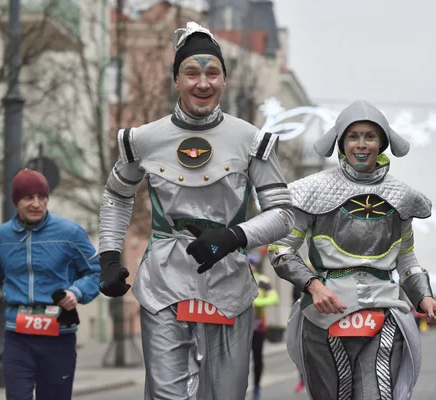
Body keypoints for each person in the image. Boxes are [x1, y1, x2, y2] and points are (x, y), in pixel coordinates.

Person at [97, 22, 294, 400]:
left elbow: (283, 214)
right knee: (167, 395)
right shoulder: (143, 139)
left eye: (212, 72)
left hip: (230, 284)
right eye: (191, 72)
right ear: (176, 79)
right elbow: (115, 196)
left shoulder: (252, 140)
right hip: (163, 284)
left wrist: (234, 237)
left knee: (225, 394)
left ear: (223, 80)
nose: (202, 83)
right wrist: (108, 256)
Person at [269, 100, 436, 400]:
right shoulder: (312, 191)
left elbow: (406, 258)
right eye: (353, 136)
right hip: (322, 316)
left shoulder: (401, 197)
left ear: (382, 143)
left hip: (384, 311)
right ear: (341, 142)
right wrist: (313, 286)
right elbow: (281, 249)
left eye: (370, 136)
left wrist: (423, 296)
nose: (361, 145)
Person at [0, 169, 100, 399]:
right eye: (28, 198)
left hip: (59, 335)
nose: (37, 204)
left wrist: (76, 292)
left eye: (42, 197)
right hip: (17, 336)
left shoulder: (70, 233)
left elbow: (97, 274)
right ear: (16, 201)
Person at [248, 253, 279, 400]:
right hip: (240, 329)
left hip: (258, 327)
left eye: (251, 263)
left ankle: (256, 387)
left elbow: (274, 298)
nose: (250, 266)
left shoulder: (262, 280)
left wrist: (257, 303)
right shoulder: (236, 279)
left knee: (258, 359)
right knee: (239, 362)